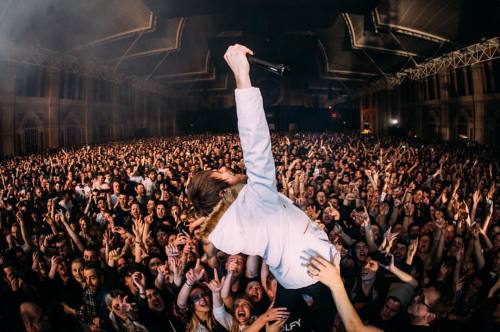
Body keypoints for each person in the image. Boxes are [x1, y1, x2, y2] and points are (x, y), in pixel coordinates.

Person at [187, 44, 337, 331]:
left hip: (288, 276)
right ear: (222, 192)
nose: (225, 168)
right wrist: (242, 77)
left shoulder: (224, 230)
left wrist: (224, 198)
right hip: (316, 268)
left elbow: (216, 220)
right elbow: (255, 140)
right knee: (327, 318)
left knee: (284, 319)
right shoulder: (258, 198)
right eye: (220, 172)